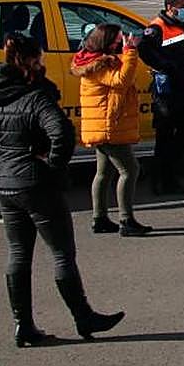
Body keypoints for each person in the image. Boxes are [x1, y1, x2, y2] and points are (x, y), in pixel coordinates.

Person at [0, 33, 124, 346]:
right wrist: (53, 166)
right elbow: (62, 132)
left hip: (4, 181)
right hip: (36, 182)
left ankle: (23, 324)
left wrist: (8, 158)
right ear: (31, 61)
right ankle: (83, 316)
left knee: (18, 253)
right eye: (41, 59)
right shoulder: (36, 97)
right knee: (61, 253)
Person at [71, 23, 153, 237]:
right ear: (105, 42)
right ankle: (126, 220)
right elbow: (122, 80)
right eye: (117, 41)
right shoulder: (99, 64)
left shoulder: (90, 59)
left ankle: (100, 218)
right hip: (108, 125)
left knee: (104, 172)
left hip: (103, 123)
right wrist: (130, 51)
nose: (119, 44)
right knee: (130, 170)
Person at [138, 0, 184, 195]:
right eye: (182, 7)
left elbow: (180, 41)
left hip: (183, 89)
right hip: (167, 93)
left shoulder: (179, 25)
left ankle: (163, 172)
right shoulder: (157, 28)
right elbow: (144, 50)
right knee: (166, 136)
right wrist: (166, 66)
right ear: (170, 7)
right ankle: (162, 178)